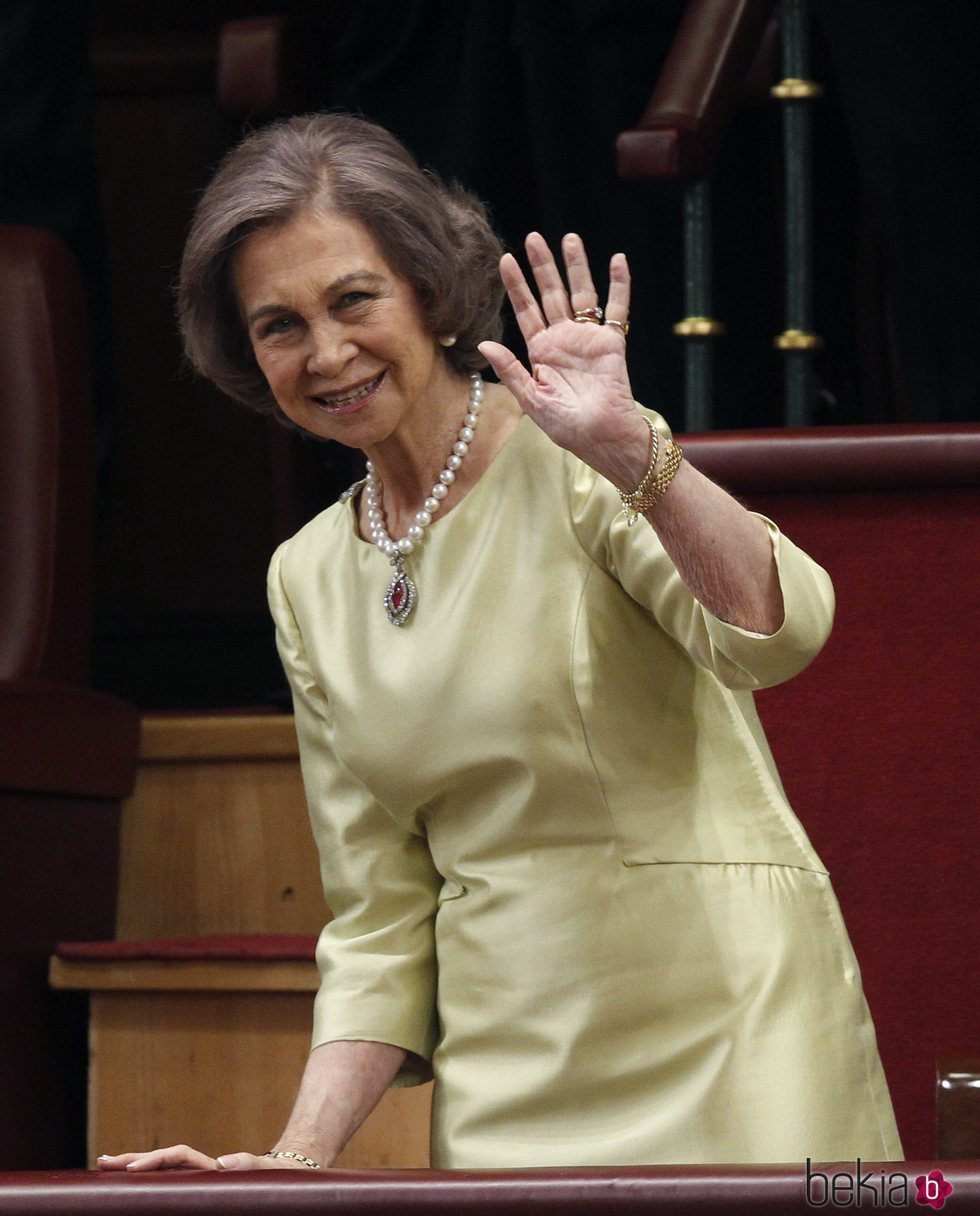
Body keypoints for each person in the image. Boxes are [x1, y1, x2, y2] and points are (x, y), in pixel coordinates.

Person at [98, 112, 901, 1173]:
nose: (326, 353)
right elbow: (380, 921)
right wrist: (292, 1162)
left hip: (728, 1032)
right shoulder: (304, 575)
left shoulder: (578, 454)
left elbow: (775, 632)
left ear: (426, 288)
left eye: (352, 299)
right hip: (504, 1081)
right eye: (278, 325)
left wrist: (630, 453)